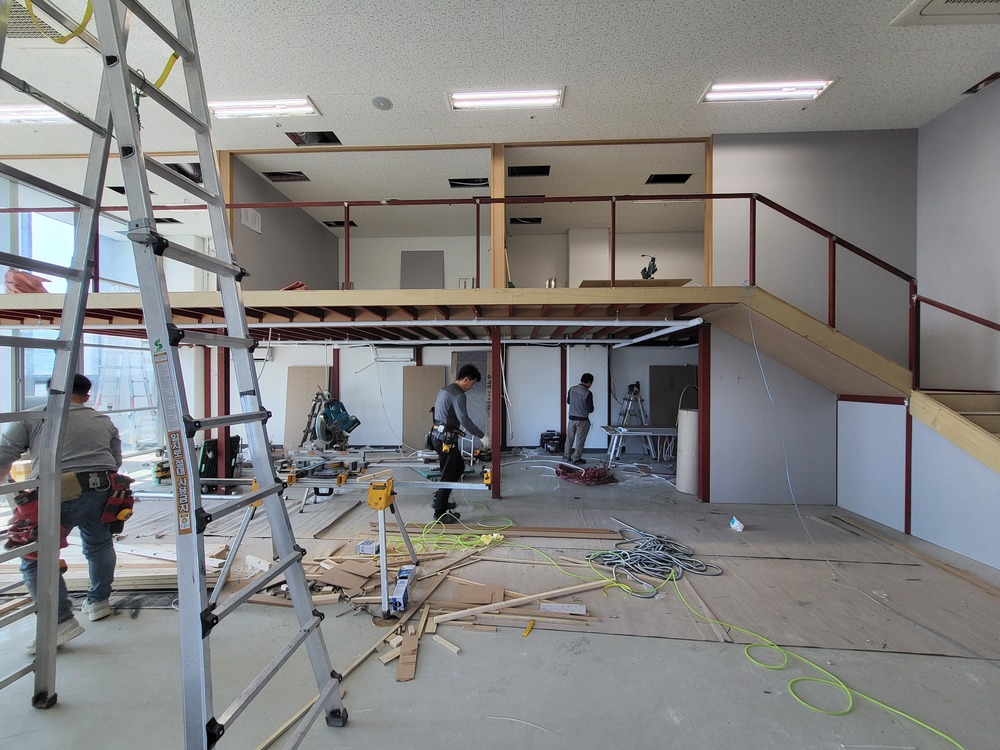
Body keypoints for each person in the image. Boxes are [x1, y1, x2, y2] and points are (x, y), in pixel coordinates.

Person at [0, 373, 123, 654]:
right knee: (99, 544)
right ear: (87, 396)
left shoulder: (34, 416)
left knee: (35, 557)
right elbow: (115, 461)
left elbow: (3, 456)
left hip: (58, 491)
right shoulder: (102, 420)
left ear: (50, 392)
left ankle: (59, 622)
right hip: (103, 490)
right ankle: (99, 602)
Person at [429, 364, 488, 523]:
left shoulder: (445, 389)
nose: (472, 387)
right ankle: (439, 512)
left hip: (438, 436)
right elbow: (464, 419)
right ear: (466, 379)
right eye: (472, 383)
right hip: (445, 440)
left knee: (458, 468)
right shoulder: (458, 394)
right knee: (449, 474)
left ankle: (440, 498)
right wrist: (482, 436)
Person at [562, 373, 595, 465]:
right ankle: (576, 458)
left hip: (571, 418)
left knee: (569, 438)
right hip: (582, 420)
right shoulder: (588, 393)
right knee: (580, 440)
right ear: (589, 382)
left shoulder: (572, 389)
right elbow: (590, 409)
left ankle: (566, 456)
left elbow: (568, 401)